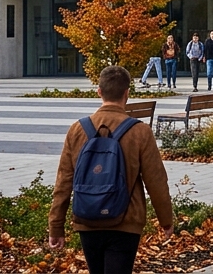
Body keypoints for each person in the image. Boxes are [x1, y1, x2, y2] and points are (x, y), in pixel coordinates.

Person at [49, 65, 174, 274]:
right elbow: (156, 182)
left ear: (99, 91)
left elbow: (63, 182)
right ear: (127, 93)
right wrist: (166, 221)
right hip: (125, 222)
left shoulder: (78, 129)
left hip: (87, 218)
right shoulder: (139, 132)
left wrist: (56, 226)